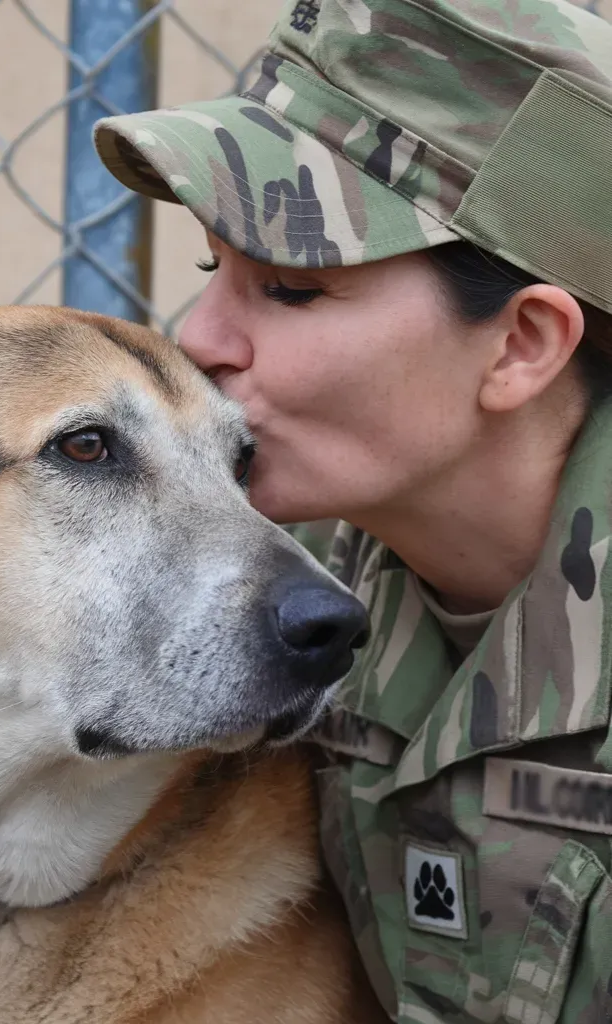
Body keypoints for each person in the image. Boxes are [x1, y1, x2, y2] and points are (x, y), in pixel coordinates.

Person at [93, 0, 612, 1019]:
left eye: (288, 286)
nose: (197, 340)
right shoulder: (275, 574)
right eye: (212, 267)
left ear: (520, 345)